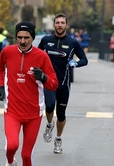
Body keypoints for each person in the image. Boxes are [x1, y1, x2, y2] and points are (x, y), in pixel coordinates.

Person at [0, 21, 58, 166]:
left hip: (34, 113)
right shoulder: (7, 52)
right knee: (12, 145)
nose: (22, 41)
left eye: (26, 38)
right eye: (19, 37)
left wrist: (43, 78)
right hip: (12, 110)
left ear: (32, 38)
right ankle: (9, 164)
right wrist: (0, 86)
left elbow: (54, 83)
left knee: (27, 155)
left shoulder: (42, 56)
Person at [37, 13, 88, 154]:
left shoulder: (73, 43)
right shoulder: (46, 40)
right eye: (57, 22)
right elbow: (36, 56)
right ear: (54, 25)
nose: (60, 25)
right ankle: (49, 124)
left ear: (66, 25)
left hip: (64, 84)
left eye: (62, 23)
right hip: (48, 81)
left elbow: (85, 60)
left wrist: (76, 63)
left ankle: (58, 139)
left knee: (61, 114)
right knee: (48, 106)